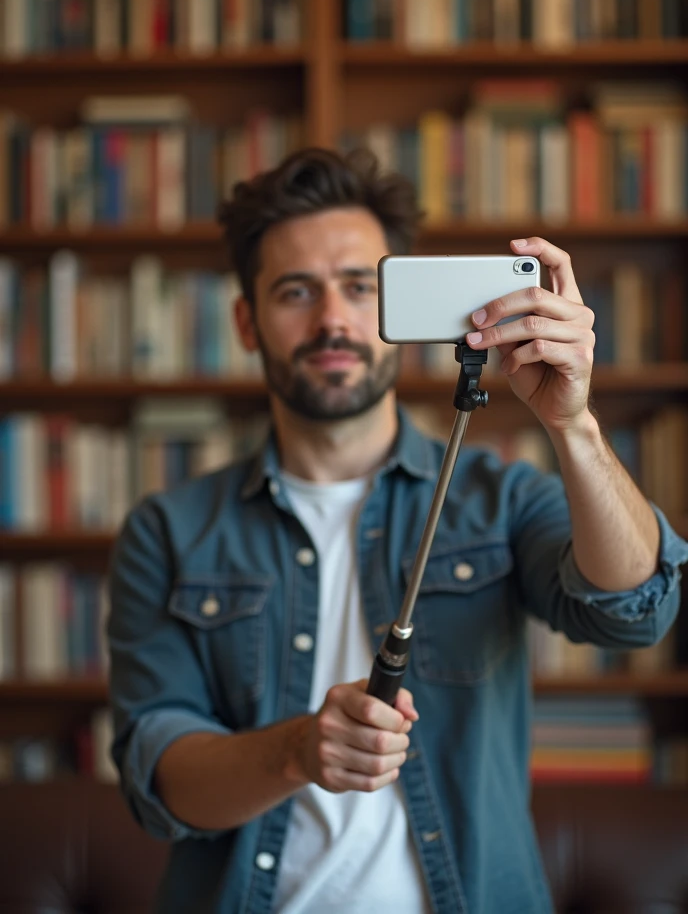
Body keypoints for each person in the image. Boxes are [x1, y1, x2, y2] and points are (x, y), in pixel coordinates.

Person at [107, 147, 688, 914]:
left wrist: (572, 424)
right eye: (295, 291)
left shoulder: (500, 497)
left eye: (358, 286)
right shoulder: (167, 531)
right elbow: (159, 779)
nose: (332, 320)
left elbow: (635, 611)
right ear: (247, 322)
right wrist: (297, 750)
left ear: (400, 301)